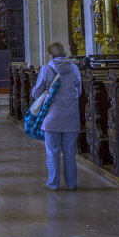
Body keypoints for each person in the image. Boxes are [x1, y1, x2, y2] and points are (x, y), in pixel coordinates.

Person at [31, 42, 82, 191]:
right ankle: (72, 183)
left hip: (52, 115)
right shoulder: (74, 68)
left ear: (51, 54)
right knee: (70, 152)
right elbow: (78, 90)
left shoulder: (46, 69)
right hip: (71, 115)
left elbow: (37, 91)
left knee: (52, 151)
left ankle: (53, 183)